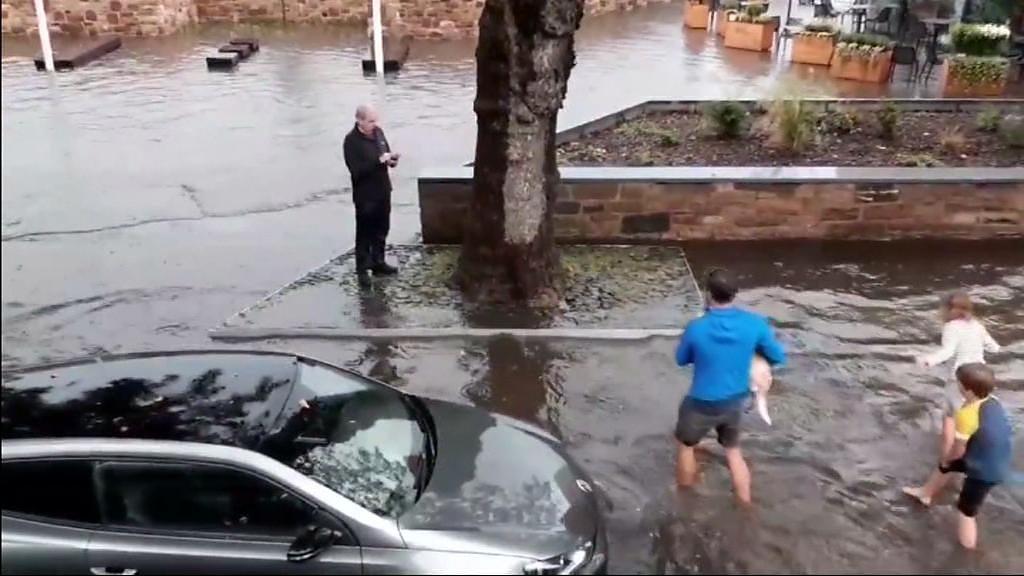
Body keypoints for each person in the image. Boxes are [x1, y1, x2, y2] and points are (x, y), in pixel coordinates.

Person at [674, 268, 786, 504]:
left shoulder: (696, 327)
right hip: (735, 402)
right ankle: (745, 504)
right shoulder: (755, 324)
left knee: (685, 446)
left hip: (701, 402)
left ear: (707, 294)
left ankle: (684, 501)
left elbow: (681, 359)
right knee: (734, 453)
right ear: (735, 294)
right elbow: (777, 357)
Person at [902, 363, 1012, 550]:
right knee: (947, 466)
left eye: (959, 383)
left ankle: (967, 551)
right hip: (997, 457)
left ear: (966, 390)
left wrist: (948, 459)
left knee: (966, 511)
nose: (957, 386)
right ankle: (925, 493)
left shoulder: (966, 415)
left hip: (984, 470)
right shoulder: (993, 401)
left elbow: (958, 449)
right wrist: (947, 463)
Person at [916, 291, 1000, 459]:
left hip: (960, 381)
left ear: (948, 310)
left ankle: (947, 463)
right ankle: (976, 457)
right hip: (979, 378)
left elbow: (948, 351)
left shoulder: (951, 327)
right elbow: (994, 348)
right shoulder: (977, 325)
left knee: (950, 421)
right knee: (972, 420)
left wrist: (929, 360)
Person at [343, 104, 400, 289]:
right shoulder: (351, 141)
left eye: (376, 120)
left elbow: (386, 155)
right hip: (365, 194)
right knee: (365, 232)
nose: (375, 124)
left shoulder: (378, 133)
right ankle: (362, 270)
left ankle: (378, 262)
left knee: (382, 228)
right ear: (359, 120)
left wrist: (392, 160)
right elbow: (356, 171)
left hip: (383, 189)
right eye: (370, 121)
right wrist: (377, 161)